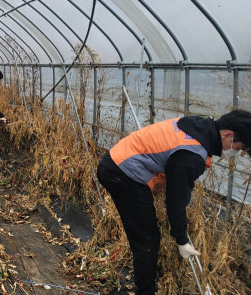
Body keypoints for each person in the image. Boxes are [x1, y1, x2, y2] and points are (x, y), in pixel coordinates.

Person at [96, 110, 251, 295]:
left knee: (146, 235)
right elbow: (176, 199)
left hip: (118, 162)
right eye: (239, 148)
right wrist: (181, 239)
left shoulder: (197, 126)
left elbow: (174, 173)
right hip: (122, 173)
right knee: (146, 239)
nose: (237, 152)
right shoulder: (193, 154)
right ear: (228, 134)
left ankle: (148, 283)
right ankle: (145, 292)